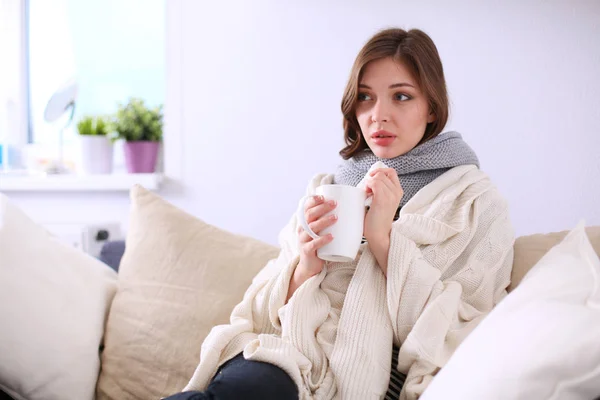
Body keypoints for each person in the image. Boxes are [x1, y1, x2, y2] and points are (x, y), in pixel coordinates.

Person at [165, 27, 514, 400]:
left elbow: (459, 334)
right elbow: (260, 315)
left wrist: (383, 240)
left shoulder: (474, 200)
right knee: (244, 386)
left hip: (370, 379)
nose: (379, 116)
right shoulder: (329, 185)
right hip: (285, 359)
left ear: (431, 107)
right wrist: (304, 266)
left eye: (401, 96)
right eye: (365, 98)